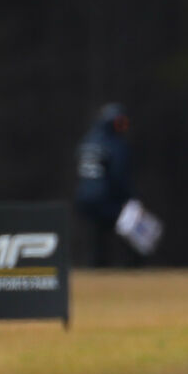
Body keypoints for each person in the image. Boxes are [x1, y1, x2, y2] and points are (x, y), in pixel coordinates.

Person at [74, 103, 134, 267]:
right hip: (105, 199)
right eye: (119, 123)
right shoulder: (115, 144)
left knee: (96, 239)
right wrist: (129, 198)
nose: (123, 128)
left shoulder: (87, 140)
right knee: (131, 232)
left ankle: (96, 267)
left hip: (84, 199)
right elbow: (118, 176)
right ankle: (132, 268)